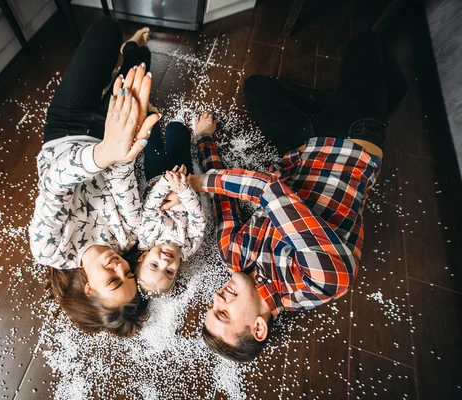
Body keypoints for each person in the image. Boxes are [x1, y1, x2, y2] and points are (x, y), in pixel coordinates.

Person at [188, 32, 407, 362]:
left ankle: (354, 96)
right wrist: (196, 182)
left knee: (257, 87)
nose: (218, 298)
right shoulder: (319, 281)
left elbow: (222, 201)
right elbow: (265, 190)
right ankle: (370, 99)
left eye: (212, 307)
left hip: (298, 147)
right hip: (351, 142)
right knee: (364, 41)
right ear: (258, 328)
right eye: (224, 313)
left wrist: (205, 140)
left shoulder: (232, 255)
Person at [29, 18, 159, 337]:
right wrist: (126, 149)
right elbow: (120, 173)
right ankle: (129, 51)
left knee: (101, 29)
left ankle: (115, 65)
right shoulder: (127, 236)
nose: (120, 265)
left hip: (65, 128)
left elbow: (55, 184)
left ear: (89, 289)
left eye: (113, 280)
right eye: (129, 273)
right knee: (141, 62)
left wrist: (106, 152)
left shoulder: (51, 250)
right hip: (109, 130)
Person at [135, 121, 207, 296]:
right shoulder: (188, 247)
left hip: (157, 177)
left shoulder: (147, 238)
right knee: (177, 130)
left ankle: (152, 116)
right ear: (176, 272)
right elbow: (198, 218)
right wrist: (182, 190)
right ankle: (183, 135)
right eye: (169, 271)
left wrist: (166, 182)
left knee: (151, 138)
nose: (165, 261)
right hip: (184, 182)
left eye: (154, 265)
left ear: (143, 257)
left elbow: (150, 207)